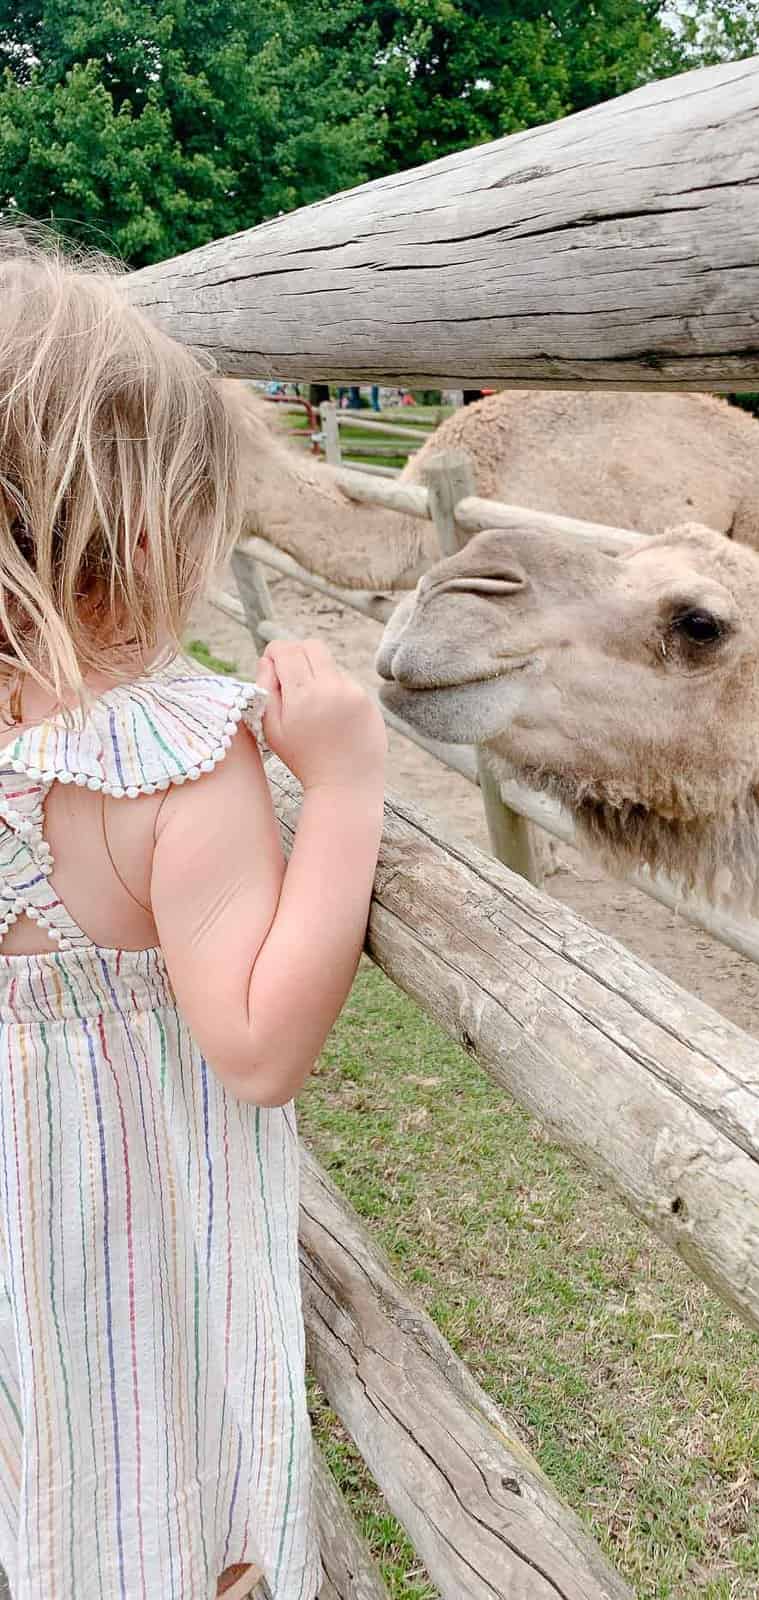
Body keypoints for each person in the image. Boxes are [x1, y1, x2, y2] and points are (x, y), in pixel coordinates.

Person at [0, 240, 387, 1596]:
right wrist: (343, 784)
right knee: (148, 1500)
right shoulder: (169, 751)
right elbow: (259, 1046)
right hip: (127, 1250)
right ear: (158, 528)